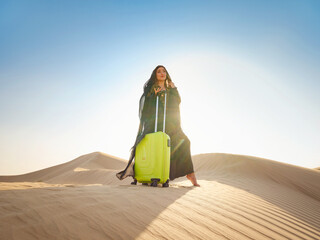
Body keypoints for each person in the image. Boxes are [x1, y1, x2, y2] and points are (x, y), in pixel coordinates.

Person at [116, 65, 200, 187]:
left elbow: (177, 102)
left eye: (164, 71)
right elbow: (146, 107)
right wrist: (153, 95)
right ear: (155, 75)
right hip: (155, 123)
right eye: (159, 71)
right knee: (149, 145)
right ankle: (145, 172)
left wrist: (174, 89)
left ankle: (189, 173)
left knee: (185, 142)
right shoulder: (151, 88)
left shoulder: (170, 87)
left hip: (170, 124)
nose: (162, 73)